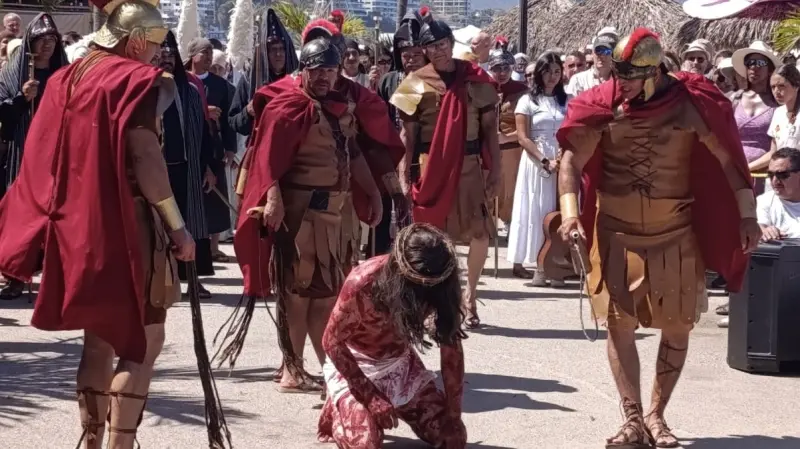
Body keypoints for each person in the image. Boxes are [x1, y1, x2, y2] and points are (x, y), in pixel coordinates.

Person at [0, 0, 200, 446]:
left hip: (81, 226)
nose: (158, 53)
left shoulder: (68, 76)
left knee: (98, 341)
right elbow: (146, 158)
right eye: (155, 43)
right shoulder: (135, 79)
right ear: (135, 41)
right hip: (130, 227)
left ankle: (91, 441)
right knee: (142, 342)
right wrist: (178, 227)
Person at [556, 28, 759, 448]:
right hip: (616, 231)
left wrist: (747, 215)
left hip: (675, 231)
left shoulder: (691, 104)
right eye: (619, 74)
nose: (622, 83)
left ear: (655, 72)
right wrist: (571, 213)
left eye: (631, 76)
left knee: (678, 326)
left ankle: (657, 415)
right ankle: (632, 418)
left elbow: (729, 161)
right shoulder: (603, 104)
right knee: (619, 324)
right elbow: (571, 161)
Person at [235, 32, 384, 393]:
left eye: (329, 70)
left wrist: (373, 192)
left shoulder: (339, 108)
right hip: (299, 216)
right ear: (302, 70)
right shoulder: (286, 106)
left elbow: (353, 154)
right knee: (295, 293)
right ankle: (292, 367)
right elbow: (267, 160)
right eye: (315, 70)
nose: (323, 77)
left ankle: (324, 370)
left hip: (334, 216)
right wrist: (273, 200)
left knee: (326, 295)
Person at [390, 10, 499, 329]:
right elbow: (407, 136)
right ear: (424, 50)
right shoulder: (413, 84)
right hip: (431, 166)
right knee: (433, 237)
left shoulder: (476, 78)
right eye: (431, 46)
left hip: (469, 166)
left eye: (441, 43)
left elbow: (490, 132)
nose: (437, 50)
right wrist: (403, 173)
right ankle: (434, 304)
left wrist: (496, 171)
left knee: (479, 232)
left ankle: (471, 297)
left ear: (451, 43)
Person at [317, 222, 467, 449]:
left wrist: (454, 415)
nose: (425, 292)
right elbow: (331, 341)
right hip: (357, 363)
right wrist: (370, 396)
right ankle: (338, 409)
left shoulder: (443, 281)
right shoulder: (364, 281)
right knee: (366, 444)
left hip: (399, 362)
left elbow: (451, 352)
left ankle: (376, 407)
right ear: (401, 271)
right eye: (418, 285)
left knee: (453, 439)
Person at [0, 13, 67, 300]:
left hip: (57, 152)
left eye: (52, 39)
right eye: (42, 39)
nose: (47, 44)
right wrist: (21, 98)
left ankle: (57, 279)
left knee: (59, 215)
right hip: (23, 151)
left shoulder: (64, 74)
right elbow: (2, 113)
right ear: (30, 42)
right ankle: (15, 276)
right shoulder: (12, 73)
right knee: (21, 216)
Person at [154, 31, 217, 297]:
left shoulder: (190, 91)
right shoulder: (147, 89)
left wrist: (208, 167)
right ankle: (161, 281)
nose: (167, 61)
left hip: (188, 168)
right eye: (162, 56)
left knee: (191, 223)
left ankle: (193, 280)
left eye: (171, 56)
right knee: (159, 226)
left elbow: (204, 133)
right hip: (156, 170)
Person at [508, 51, 567, 285]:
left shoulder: (568, 99)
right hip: (536, 161)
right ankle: (537, 264)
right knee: (536, 210)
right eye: (548, 72)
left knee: (559, 210)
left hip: (562, 159)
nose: (553, 76)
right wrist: (545, 161)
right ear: (539, 73)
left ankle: (558, 265)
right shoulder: (527, 101)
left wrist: (563, 156)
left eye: (557, 72)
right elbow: (523, 137)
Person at [185, 37, 236, 263]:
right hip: (189, 147)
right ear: (192, 56)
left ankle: (214, 247)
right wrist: (205, 110)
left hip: (213, 146)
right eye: (203, 53)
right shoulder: (183, 81)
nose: (207, 57)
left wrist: (230, 148)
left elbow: (228, 119)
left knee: (216, 198)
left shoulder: (220, 85)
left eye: (209, 53)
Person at [228, 8, 297, 138]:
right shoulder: (249, 79)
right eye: (273, 50)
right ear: (265, 53)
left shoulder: (296, 80)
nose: (278, 54)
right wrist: (247, 112)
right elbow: (233, 121)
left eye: (282, 49)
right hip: (260, 142)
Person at [488, 47, 529, 249]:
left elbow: (528, 127)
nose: (502, 72)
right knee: (488, 188)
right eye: (497, 68)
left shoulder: (522, 91)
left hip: (512, 148)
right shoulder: (484, 88)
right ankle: (487, 228)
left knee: (510, 190)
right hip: (487, 150)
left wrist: (507, 137)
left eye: (505, 68)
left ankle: (512, 225)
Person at [758, 148, 800, 240]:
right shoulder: (764, 201)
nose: (774, 180)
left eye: (782, 175)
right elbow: (758, 226)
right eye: (770, 175)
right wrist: (763, 231)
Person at [566, 28, 617, 96]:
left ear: (612, 54)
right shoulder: (578, 80)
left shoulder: (620, 81)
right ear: (592, 53)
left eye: (606, 51)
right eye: (598, 50)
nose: (602, 56)